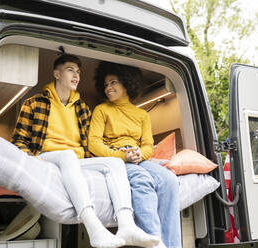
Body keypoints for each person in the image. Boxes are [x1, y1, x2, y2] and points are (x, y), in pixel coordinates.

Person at [11, 54, 160, 248]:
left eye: (79, 72)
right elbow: (19, 141)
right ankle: (93, 228)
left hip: (76, 160)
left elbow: (91, 144)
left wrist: (124, 154)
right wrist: (32, 160)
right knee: (67, 155)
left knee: (115, 163)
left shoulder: (82, 108)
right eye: (70, 70)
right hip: (46, 157)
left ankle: (127, 226)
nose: (76, 75)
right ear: (56, 73)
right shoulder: (34, 103)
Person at [88, 62, 182, 248]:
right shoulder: (102, 110)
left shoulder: (142, 115)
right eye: (106, 84)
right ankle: (155, 243)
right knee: (141, 179)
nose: (108, 88)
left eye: (113, 82)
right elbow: (94, 144)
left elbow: (148, 145)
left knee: (169, 180)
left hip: (137, 158)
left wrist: (140, 155)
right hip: (115, 158)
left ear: (126, 84)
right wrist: (123, 157)